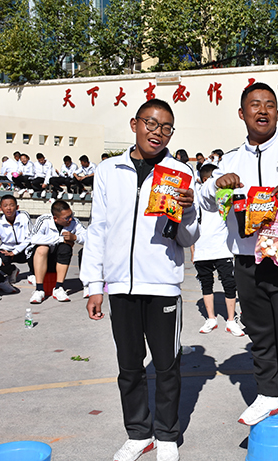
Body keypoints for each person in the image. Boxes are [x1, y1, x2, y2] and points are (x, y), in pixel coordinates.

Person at [200, 82, 278, 440]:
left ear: (277, 112)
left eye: (269, 104)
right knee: (259, 330)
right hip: (246, 258)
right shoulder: (229, 159)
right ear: (242, 114)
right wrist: (216, 185)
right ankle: (268, 394)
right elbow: (206, 201)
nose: (263, 110)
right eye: (255, 105)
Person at [81, 98, 199, 461]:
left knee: (166, 366)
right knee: (129, 366)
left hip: (161, 285)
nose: (157, 132)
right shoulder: (109, 170)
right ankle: (138, 433)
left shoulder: (180, 173)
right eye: (151, 123)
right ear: (135, 124)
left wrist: (188, 211)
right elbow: (98, 229)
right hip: (120, 286)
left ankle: (166, 435)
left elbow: (188, 238)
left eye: (166, 127)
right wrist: (94, 284)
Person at [195, 164, 244, 337]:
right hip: (202, 248)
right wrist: (193, 250)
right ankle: (211, 318)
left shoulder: (227, 193)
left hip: (223, 248)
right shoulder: (197, 194)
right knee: (206, 284)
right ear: (206, 180)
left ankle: (231, 320)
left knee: (229, 284)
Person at [29, 200, 87, 304]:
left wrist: (75, 237)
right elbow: (34, 238)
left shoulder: (74, 222)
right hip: (39, 259)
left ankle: (58, 288)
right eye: (66, 218)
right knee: (42, 248)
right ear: (55, 218)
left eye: (71, 215)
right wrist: (60, 239)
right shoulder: (44, 220)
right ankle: (39, 289)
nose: (70, 219)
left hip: (60, 259)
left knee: (66, 247)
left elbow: (89, 237)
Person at [0, 194, 34, 285]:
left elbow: (31, 236)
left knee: (36, 250)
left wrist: (15, 251)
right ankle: (12, 271)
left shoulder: (24, 216)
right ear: (0, 208)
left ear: (17, 207)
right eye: (5, 206)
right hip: (8, 250)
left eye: (11, 205)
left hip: (24, 248)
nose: (8, 208)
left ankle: (33, 274)